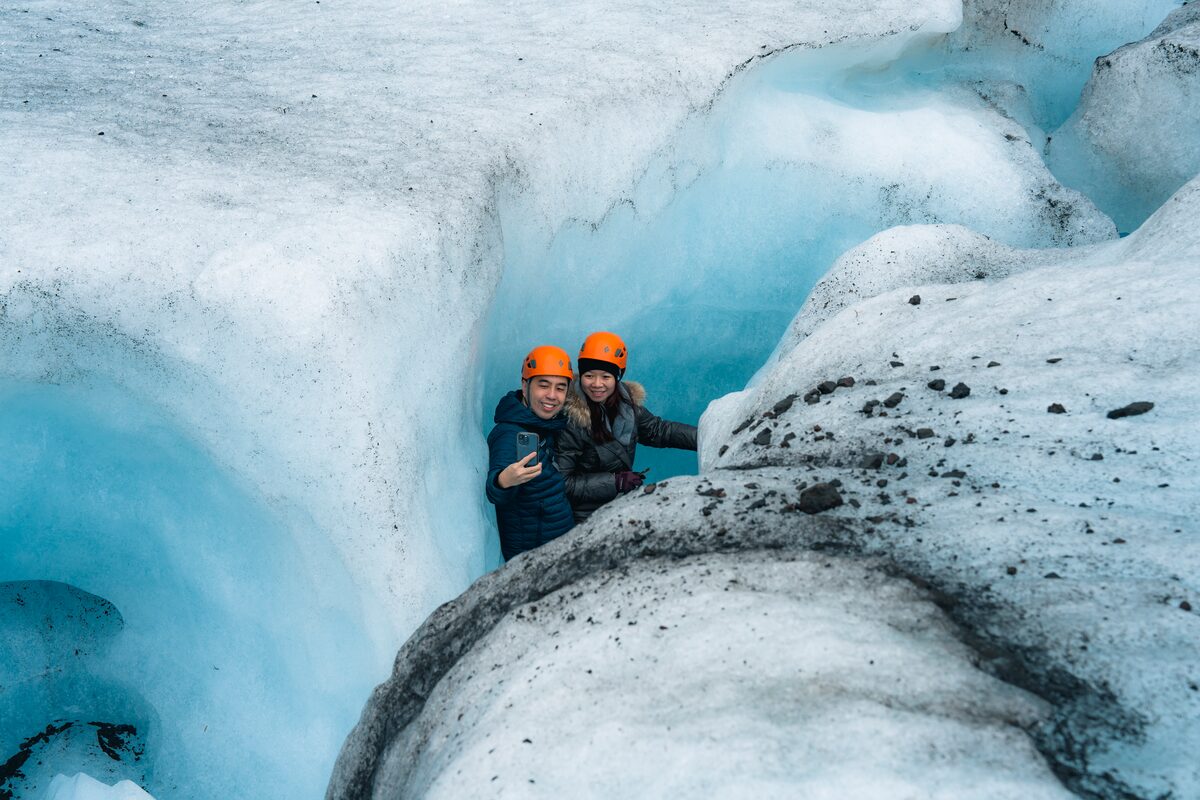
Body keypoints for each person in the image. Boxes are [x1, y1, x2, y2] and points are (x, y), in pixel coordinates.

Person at [556, 331, 697, 523]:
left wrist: (707, 435)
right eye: (589, 375)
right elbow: (563, 483)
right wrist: (615, 482)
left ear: (618, 376)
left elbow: (660, 431)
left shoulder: (626, 406)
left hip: (620, 503)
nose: (597, 384)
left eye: (606, 376)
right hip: (582, 516)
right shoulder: (570, 419)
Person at [485, 345, 576, 561]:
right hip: (532, 558)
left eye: (560, 388)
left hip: (554, 547)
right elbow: (494, 489)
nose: (552, 396)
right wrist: (503, 480)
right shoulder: (509, 434)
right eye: (543, 385)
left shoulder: (543, 425)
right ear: (525, 385)